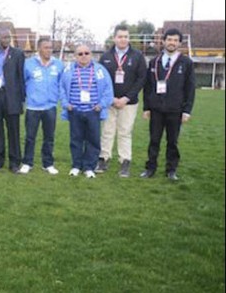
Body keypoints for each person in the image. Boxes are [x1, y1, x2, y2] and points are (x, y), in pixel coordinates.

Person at [140, 28, 195, 181]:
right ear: (163, 41)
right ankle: (150, 168)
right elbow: (148, 87)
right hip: (156, 109)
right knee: (154, 140)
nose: (172, 43)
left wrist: (187, 110)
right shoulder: (154, 62)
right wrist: (146, 107)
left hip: (175, 109)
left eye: (175, 40)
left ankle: (171, 170)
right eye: (169, 40)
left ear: (179, 43)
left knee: (172, 142)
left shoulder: (186, 63)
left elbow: (190, 88)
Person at [96, 25, 147, 177]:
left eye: (126, 36)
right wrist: (110, 98)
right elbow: (101, 80)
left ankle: (125, 162)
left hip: (128, 103)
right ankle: (103, 159)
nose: (123, 39)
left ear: (129, 38)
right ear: (114, 38)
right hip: (109, 101)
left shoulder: (137, 56)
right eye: (120, 36)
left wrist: (126, 98)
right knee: (107, 131)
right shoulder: (105, 56)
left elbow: (141, 79)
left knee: (125, 132)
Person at [60, 44, 114, 178]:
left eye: (86, 53)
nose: (83, 56)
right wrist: (66, 104)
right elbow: (61, 88)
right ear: (75, 56)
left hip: (93, 111)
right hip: (75, 111)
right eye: (80, 54)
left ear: (91, 54)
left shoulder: (100, 70)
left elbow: (108, 90)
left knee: (93, 140)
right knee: (76, 140)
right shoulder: (68, 70)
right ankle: (76, 166)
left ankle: (89, 167)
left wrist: (101, 105)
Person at [18, 38, 64, 175]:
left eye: (50, 47)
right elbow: (22, 83)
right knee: (30, 137)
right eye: (46, 47)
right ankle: (27, 163)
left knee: (49, 137)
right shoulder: (28, 64)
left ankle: (48, 164)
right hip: (33, 107)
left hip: (50, 107)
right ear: (39, 49)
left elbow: (61, 84)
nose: (49, 50)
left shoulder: (58, 64)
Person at [0, 29, 24, 173]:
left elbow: (21, 77)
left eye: (8, 37)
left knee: (13, 131)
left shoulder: (18, 54)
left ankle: (14, 163)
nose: (6, 39)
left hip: (12, 97)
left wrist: (21, 98)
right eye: (3, 37)